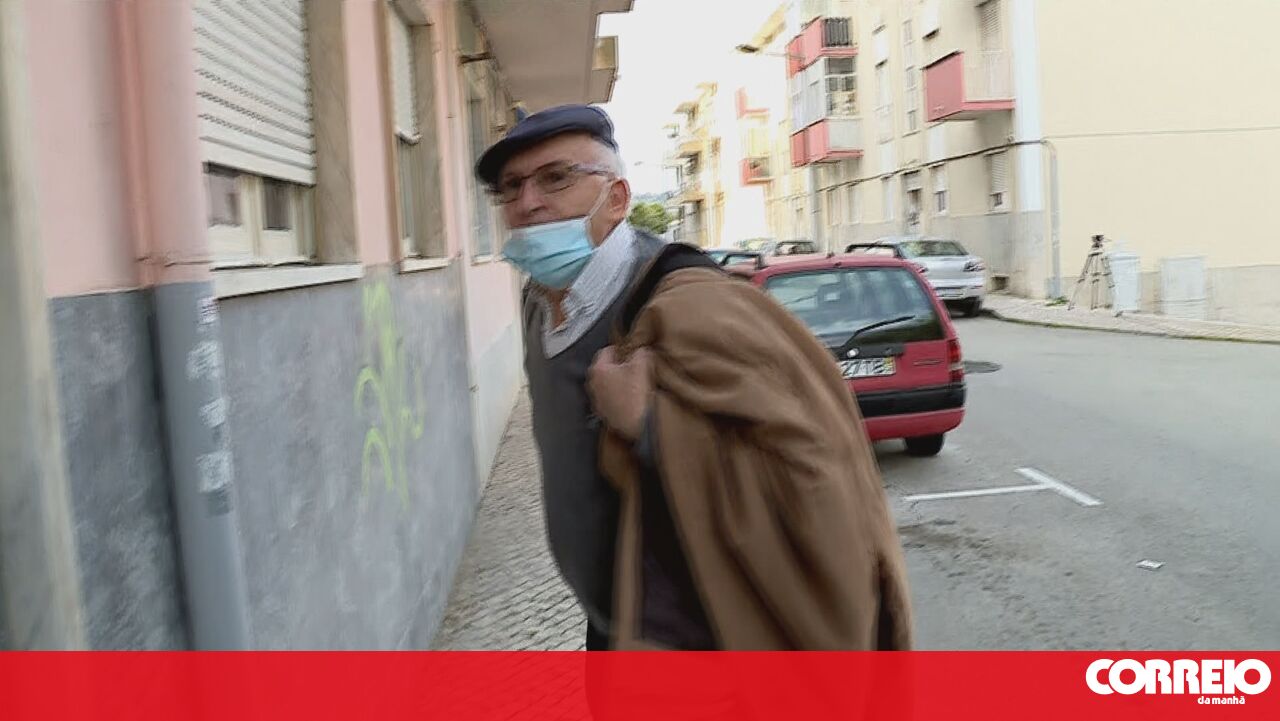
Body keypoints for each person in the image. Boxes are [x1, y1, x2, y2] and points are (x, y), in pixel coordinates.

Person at [477, 105, 911, 653]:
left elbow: (814, 466)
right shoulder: (538, 302)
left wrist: (648, 423)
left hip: (701, 640)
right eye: (510, 187)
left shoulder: (695, 305)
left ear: (617, 198)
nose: (527, 203)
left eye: (555, 178)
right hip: (613, 629)